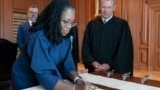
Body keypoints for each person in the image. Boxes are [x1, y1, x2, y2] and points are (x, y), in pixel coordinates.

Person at [12, 0, 97, 90]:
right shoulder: (39, 37)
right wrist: (75, 88)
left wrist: (78, 80)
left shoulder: (65, 37)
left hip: (46, 79)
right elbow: (44, 73)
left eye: (72, 22)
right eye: (66, 21)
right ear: (54, 18)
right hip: (26, 80)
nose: (69, 26)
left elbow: (68, 64)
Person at [82, 0, 133, 75]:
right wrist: (92, 62)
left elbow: (124, 51)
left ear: (114, 8)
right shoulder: (92, 25)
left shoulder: (122, 25)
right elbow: (86, 46)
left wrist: (109, 65)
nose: (106, 10)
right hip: (95, 69)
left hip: (114, 71)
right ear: (99, 6)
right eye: (103, 7)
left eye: (109, 7)